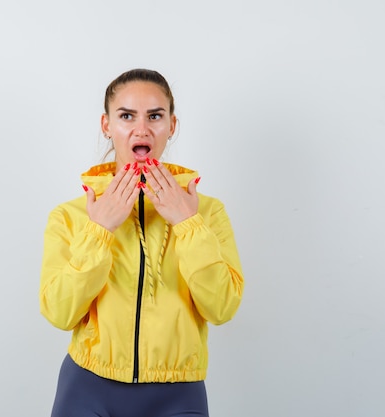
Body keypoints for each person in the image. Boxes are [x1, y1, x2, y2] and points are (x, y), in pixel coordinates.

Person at [39, 68, 244, 417]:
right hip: (88, 388)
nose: (142, 129)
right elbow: (59, 313)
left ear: (172, 125)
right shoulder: (71, 216)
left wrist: (187, 223)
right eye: (126, 116)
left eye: (154, 116)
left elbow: (221, 308)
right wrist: (99, 230)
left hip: (179, 394)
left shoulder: (206, 212)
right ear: (106, 125)